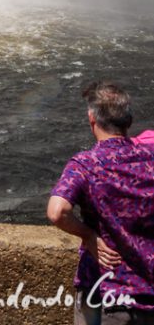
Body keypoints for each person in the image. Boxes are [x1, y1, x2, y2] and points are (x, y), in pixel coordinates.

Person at [47, 80, 154, 325]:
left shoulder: (86, 164)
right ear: (128, 121)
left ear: (91, 119)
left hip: (106, 291)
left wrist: (88, 235)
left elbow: (57, 211)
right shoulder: (150, 157)